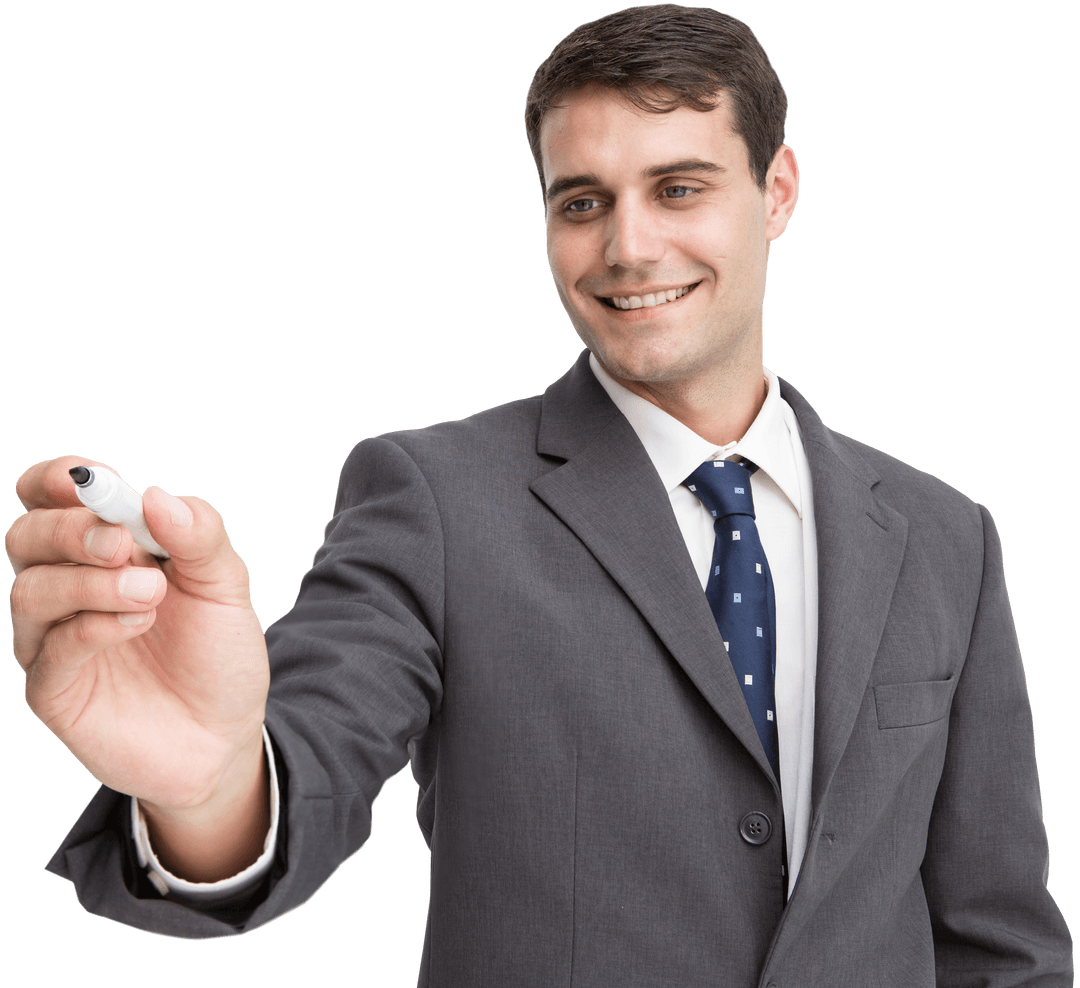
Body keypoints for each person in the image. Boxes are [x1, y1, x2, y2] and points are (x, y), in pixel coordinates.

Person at [7, 5, 1073, 984]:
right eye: (582, 202)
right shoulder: (434, 498)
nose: (629, 247)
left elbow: (999, 940)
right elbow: (316, 744)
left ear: (778, 191)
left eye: (679, 188)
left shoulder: (946, 535)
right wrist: (205, 788)